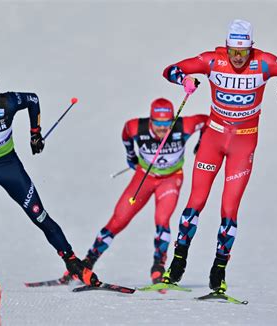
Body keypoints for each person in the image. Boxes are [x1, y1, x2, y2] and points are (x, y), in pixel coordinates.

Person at [160, 19, 277, 293]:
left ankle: (218, 273)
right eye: (233, 51)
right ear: (227, 46)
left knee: (229, 209)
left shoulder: (264, 62)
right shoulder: (212, 60)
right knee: (195, 202)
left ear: (251, 48)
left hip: (243, 143)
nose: (238, 57)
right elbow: (170, 70)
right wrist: (185, 79)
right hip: (213, 139)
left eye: (243, 52)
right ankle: (177, 263)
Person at [0, 70, 97, 288]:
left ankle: (73, 263)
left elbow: (33, 99)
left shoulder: (6, 102)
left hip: (9, 168)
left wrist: (35, 132)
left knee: (39, 216)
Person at [77, 98, 207, 284]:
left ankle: (158, 269)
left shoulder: (184, 125)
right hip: (144, 177)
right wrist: (131, 156)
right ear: (151, 120)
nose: (163, 128)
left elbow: (208, 121)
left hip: (170, 179)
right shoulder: (136, 127)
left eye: (167, 123)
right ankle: (87, 263)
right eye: (158, 124)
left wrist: (202, 144)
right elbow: (126, 133)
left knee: (162, 220)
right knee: (118, 220)